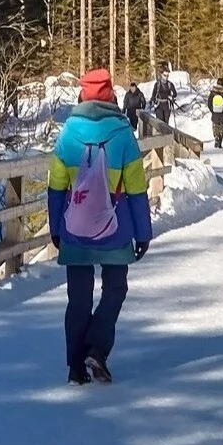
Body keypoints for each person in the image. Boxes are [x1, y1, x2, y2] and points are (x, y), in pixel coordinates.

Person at [47, 67, 153, 385]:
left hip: (75, 227)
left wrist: (56, 228)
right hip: (116, 229)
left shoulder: (67, 133)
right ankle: (96, 347)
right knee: (115, 290)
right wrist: (143, 232)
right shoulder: (122, 133)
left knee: (78, 297)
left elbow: (56, 188)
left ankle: (75, 367)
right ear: (111, 96)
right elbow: (136, 189)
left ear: (81, 95)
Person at [206, 79, 223, 148]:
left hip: (215, 112)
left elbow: (209, 102)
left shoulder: (213, 92)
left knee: (215, 126)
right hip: (222, 112)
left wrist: (212, 109)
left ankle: (216, 137)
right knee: (221, 127)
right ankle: (220, 139)